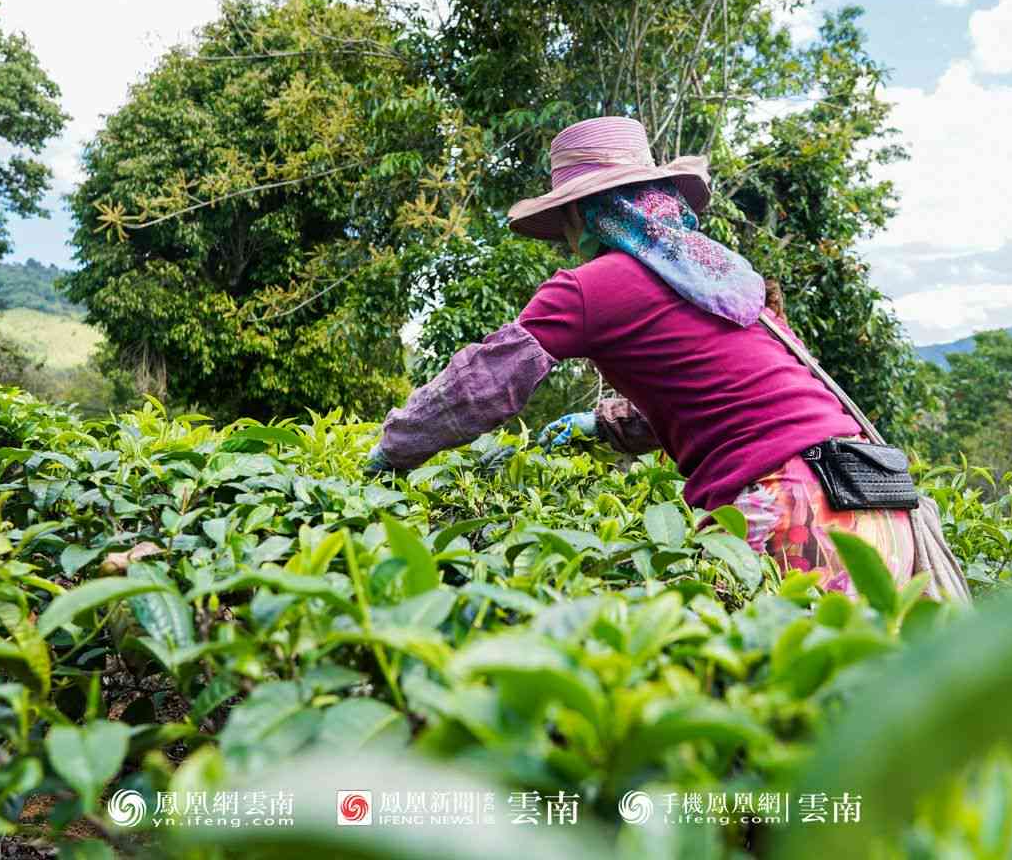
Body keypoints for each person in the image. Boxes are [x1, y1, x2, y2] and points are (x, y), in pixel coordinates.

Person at [366, 116, 913, 594]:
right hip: (872, 501)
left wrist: (394, 449)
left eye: (567, 220)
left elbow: (482, 383)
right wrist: (604, 426)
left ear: (586, 213)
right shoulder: (721, 274)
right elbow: (726, 391)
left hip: (790, 508)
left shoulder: (589, 287)